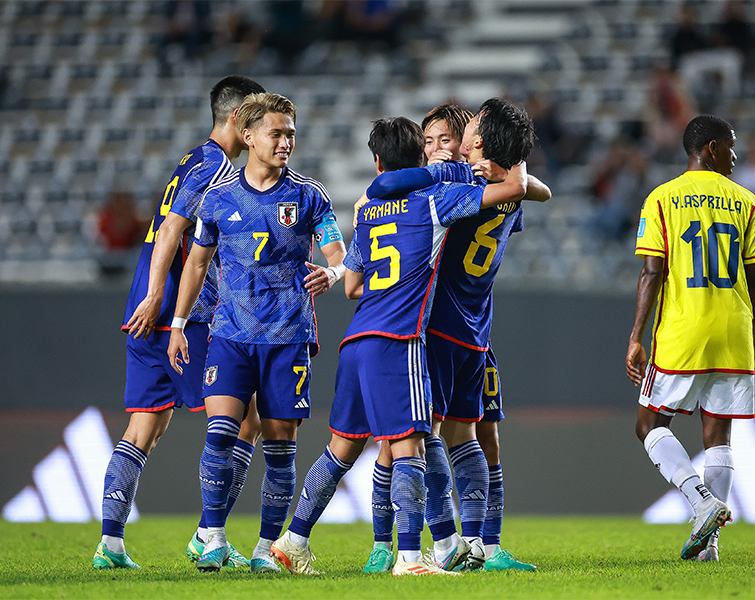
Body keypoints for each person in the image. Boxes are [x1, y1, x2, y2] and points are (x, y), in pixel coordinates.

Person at [268, 115, 529, 577]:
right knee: (412, 446)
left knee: (340, 450)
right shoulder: (434, 201)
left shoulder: (367, 209)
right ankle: (411, 557)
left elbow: (351, 286)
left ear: (377, 162)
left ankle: (293, 539)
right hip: (399, 339)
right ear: (420, 156)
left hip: (356, 338)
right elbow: (512, 190)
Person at [361, 102, 550, 573]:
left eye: (454, 135)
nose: (442, 147)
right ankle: (460, 543)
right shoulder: (505, 187)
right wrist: (514, 170)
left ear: (476, 140)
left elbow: (382, 187)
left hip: (436, 325)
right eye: (429, 142)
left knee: (421, 437)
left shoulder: (457, 184)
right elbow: (533, 190)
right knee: (464, 435)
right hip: (475, 328)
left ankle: (441, 543)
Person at [167, 92, 347, 573]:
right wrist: (179, 325)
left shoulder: (309, 196)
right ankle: (213, 536)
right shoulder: (218, 198)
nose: (286, 141)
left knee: (280, 445)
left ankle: (267, 548)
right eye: (276, 132)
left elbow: (337, 255)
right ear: (248, 136)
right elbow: (197, 264)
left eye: (291, 132)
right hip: (230, 333)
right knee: (221, 431)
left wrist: (331, 274)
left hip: (288, 335)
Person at [92, 75, 266, 571]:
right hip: (179, 316)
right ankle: (208, 536)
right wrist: (158, 298)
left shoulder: (191, 160)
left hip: (144, 312)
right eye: (255, 118)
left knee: (145, 424)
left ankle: (111, 543)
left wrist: (145, 300)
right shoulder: (216, 168)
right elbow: (172, 227)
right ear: (237, 119)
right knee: (246, 420)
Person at [626, 114, 755, 562]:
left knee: (648, 425)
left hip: (683, 331)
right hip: (733, 330)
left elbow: (652, 272)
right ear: (709, 148)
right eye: (729, 146)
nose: (734, 155)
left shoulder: (662, 198)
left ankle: (701, 502)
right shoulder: (746, 201)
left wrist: (635, 336)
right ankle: (710, 547)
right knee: (718, 435)